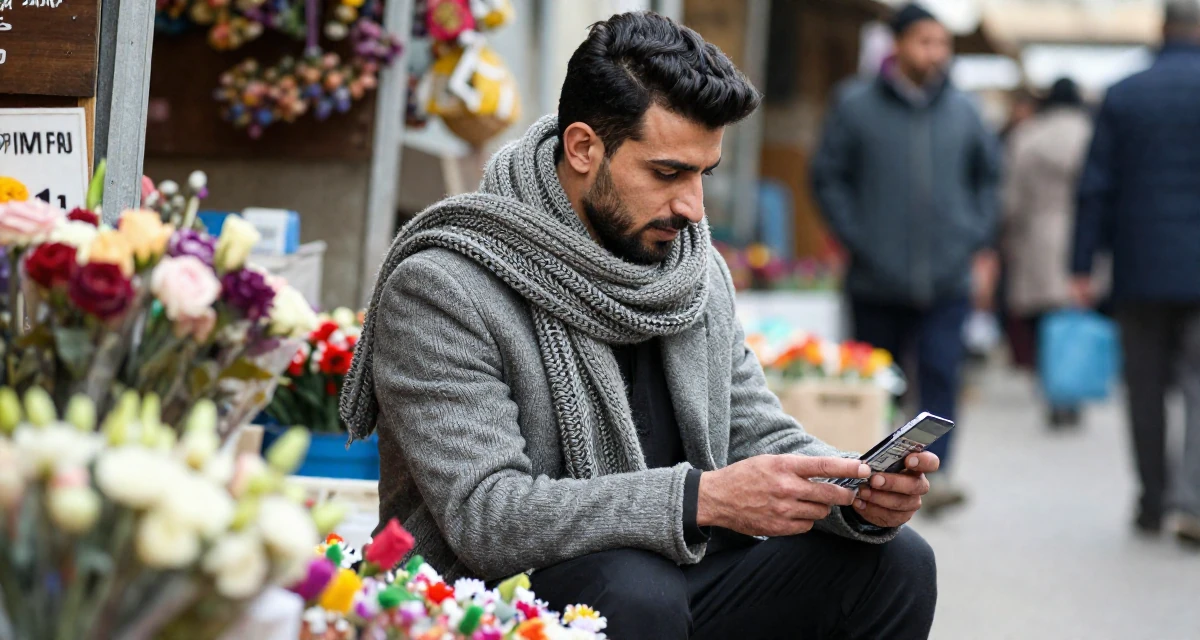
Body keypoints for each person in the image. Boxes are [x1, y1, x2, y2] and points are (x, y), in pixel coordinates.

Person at [340, 12, 940, 639]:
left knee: (896, 562)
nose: (692, 207)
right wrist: (699, 499)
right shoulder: (447, 284)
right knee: (632, 590)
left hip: (676, 577)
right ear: (583, 148)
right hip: (490, 597)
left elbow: (752, 429)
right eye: (667, 173)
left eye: (703, 174)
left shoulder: (691, 270)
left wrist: (855, 490)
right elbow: (486, 515)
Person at [811, 3, 1001, 513]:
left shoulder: (965, 110)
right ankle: (871, 480)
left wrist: (972, 236)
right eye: (924, 41)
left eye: (941, 43)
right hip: (875, 278)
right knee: (880, 380)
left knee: (941, 374)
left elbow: (989, 179)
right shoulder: (854, 104)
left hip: (947, 278)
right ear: (897, 44)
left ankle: (935, 478)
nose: (934, 53)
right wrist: (860, 239)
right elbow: (827, 177)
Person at [1072, 0, 1200, 546]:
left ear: (1160, 30)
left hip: (1140, 266)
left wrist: (1081, 264)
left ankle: (1152, 501)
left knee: (1144, 388)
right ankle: (1193, 503)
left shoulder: (1124, 94)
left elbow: (1095, 185)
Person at [1002, 77, 1096, 429]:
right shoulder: (1092, 135)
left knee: (1044, 322)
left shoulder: (1027, 137)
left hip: (1037, 235)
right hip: (1082, 233)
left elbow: (1011, 199)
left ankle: (1052, 390)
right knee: (1076, 315)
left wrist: (1009, 239)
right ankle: (1074, 392)